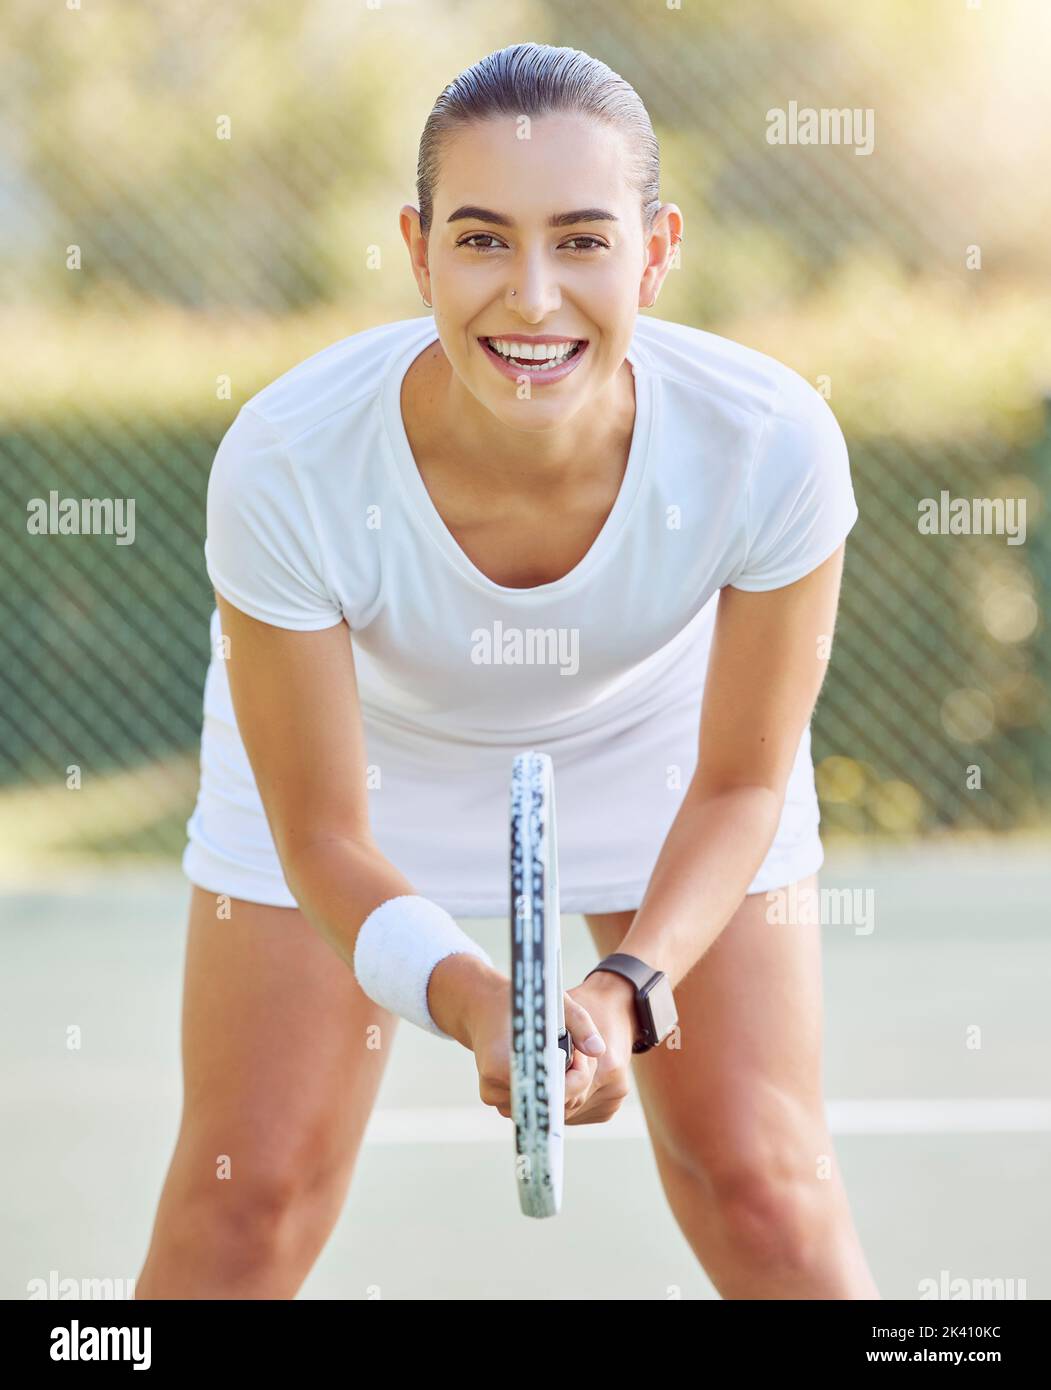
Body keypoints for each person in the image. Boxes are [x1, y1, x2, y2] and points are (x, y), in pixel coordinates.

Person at [137, 42, 878, 1299]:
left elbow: (743, 787)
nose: (532, 299)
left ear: (654, 251)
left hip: (657, 754)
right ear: (420, 251)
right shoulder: (288, 460)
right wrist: (476, 998)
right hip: (361, 763)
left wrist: (626, 990)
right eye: (482, 240)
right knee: (245, 1202)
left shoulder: (771, 445)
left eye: (582, 241)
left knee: (763, 1181)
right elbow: (319, 832)